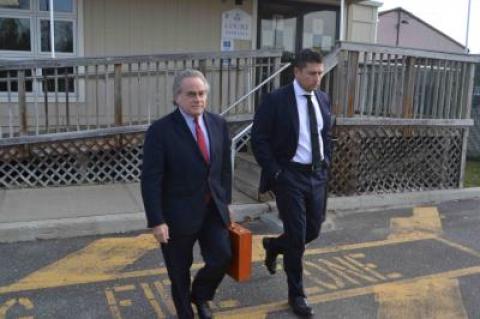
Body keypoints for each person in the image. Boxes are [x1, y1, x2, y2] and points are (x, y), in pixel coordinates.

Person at [141, 69, 232, 319]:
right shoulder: (160, 131)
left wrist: (226, 202)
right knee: (179, 273)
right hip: (176, 216)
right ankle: (185, 313)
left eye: (202, 93)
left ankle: (201, 295)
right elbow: (150, 179)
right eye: (191, 94)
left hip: (213, 209)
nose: (198, 99)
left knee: (222, 257)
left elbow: (224, 169)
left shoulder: (219, 124)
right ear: (177, 97)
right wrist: (156, 220)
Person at [251, 49, 332, 318]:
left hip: (318, 175)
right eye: (312, 73)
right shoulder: (275, 100)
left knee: (313, 231)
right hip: (290, 176)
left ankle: (274, 246)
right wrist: (275, 173)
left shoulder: (322, 98)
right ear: (296, 72)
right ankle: (296, 295)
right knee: (297, 238)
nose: (317, 78)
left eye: (320, 73)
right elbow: (259, 139)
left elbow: (324, 133)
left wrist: (327, 161)